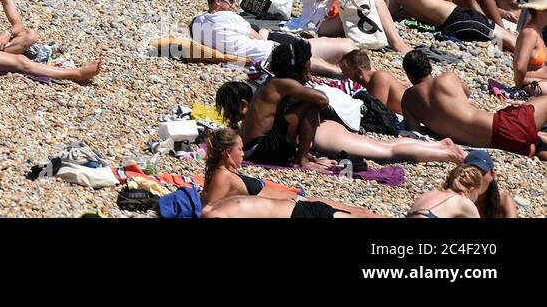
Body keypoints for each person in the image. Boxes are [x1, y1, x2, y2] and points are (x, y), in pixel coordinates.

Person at [217, 40, 464, 172]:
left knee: (384, 148)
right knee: (384, 148)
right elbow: (319, 102)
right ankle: (443, 150)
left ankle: (442, 149)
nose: (308, 70)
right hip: (297, 139)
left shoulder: (276, 86)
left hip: (317, 135)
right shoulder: (283, 85)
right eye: (306, 65)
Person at [401, 50, 547, 160]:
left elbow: (415, 132)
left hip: (499, 144)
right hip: (504, 125)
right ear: (430, 67)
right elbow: (467, 93)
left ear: (409, 75)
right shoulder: (447, 78)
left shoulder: (408, 99)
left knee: (536, 145)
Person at [200, 128, 375, 218]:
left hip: (295, 202)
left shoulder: (222, 173)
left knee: (360, 212)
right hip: (293, 207)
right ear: (227, 152)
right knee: (360, 213)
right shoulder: (222, 176)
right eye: (240, 149)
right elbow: (211, 208)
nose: (244, 154)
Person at [192, 0, 356, 73]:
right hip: (269, 50)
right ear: (218, 1)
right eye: (231, 1)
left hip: (258, 52)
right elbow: (258, 38)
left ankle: (341, 66)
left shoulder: (198, 22)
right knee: (343, 47)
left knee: (326, 49)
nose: (235, 6)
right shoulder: (229, 17)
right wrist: (263, 32)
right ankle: (340, 72)